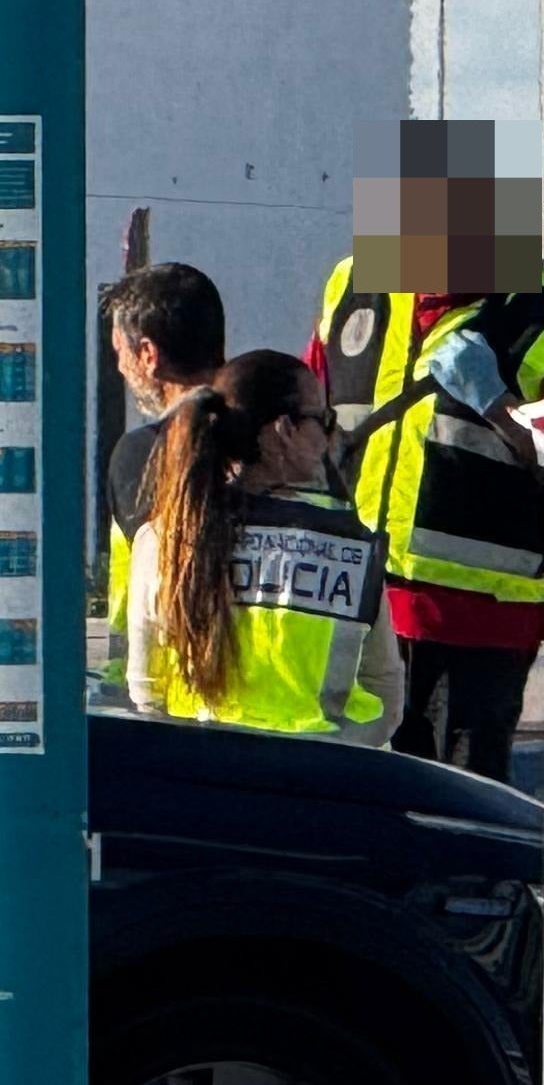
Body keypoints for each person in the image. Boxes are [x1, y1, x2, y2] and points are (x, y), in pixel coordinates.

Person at [325, 259, 544, 780]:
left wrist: (500, 408)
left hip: (481, 627)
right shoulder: (353, 286)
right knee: (361, 799)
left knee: (462, 807)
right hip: (357, 605)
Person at [121, 350, 390, 739]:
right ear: (284, 430)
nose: (331, 436)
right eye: (323, 420)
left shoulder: (163, 538)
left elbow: (146, 691)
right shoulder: (348, 544)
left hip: (202, 782)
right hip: (322, 783)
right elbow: (384, 691)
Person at [98, 261, 226, 634]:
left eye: (120, 352)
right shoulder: (282, 434)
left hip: (185, 678)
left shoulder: (142, 453)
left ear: (148, 356)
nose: (120, 368)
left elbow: (144, 584)